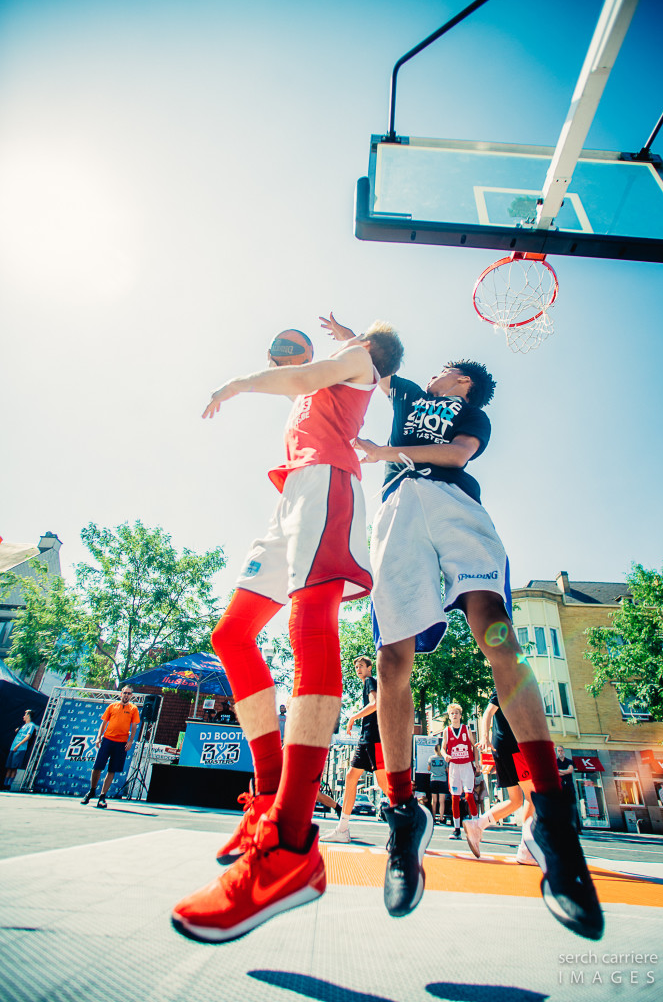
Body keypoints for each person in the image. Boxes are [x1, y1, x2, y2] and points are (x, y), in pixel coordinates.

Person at [321, 313, 603, 940]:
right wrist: (349, 333)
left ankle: (552, 816)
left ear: (466, 384)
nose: (437, 370)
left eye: (450, 368)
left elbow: (454, 455)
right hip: (398, 515)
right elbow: (378, 365)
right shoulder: (411, 396)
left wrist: (387, 450)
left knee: (496, 633)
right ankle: (403, 816)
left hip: (454, 506)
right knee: (392, 662)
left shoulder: (471, 417)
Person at [171, 318, 404, 943]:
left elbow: (311, 372)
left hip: (328, 486)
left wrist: (238, 383)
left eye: (353, 343)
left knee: (309, 629)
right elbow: (349, 366)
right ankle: (270, 801)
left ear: (368, 352)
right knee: (233, 634)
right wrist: (356, 332)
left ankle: (292, 843)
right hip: (293, 496)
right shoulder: (357, 365)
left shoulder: (353, 363)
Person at [462, 691, 537, 864]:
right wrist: (484, 738)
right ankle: (526, 850)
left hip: (507, 746)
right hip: (512, 747)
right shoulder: (508, 682)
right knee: (533, 797)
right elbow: (488, 712)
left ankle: (477, 825)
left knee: (516, 800)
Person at [322, 655, 389, 843]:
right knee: (351, 778)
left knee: (384, 784)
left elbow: (374, 704)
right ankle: (342, 829)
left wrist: (353, 718)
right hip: (366, 739)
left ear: (369, 668)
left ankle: (409, 819)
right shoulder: (367, 682)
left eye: (361, 666)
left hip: (373, 739)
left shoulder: (370, 681)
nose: (358, 669)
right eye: (356, 667)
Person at [81, 686, 140, 808]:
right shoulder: (112, 706)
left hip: (121, 743)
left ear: (131, 696)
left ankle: (102, 796)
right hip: (108, 740)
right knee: (97, 767)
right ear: (121, 694)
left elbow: (134, 726)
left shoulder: (133, 709)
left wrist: (130, 741)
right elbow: (104, 723)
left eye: (129, 694)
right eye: (125, 693)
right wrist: (98, 737)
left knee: (112, 770)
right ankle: (92, 791)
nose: (126, 695)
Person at [441, 703, 478, 839]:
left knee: (469, 796)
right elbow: (443, 748)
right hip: (454, 767)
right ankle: (457, 829)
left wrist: (477, 762)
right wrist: (445, 755)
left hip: (467, 765)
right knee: (455, 797)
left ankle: (475, 827)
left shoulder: (466, 729)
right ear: (449, 717)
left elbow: (474, 746)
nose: (454, 715)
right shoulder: (446, 731)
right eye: (452, 713)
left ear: (461, 715)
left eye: (457, 713)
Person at [3, 709, 38, 790]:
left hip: (20, 748)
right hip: (13, 747)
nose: (23, 716)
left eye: (25, 714)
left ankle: (9, 785)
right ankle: (5, 784)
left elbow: (28, 737)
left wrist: (18, 745)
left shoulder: (31, 725)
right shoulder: (23, 726)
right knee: (9, 767)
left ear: (28, 715)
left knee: (14, 767)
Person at [427, 743, 448, 823]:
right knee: (442, 801)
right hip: (442, 780)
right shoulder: (444, 759)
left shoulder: (431, 758)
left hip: (434, 780)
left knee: (434, 800)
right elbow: (447, 770)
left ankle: (433, 817)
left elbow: (428, 769)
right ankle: (441, 818)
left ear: (434, 750)